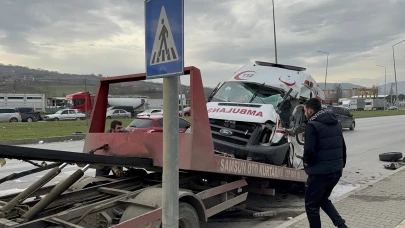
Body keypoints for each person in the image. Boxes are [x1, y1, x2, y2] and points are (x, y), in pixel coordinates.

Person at [302, 98, 348, 228]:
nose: (304, 112)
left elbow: (309, 149)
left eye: (305, 110)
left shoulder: (312, 125)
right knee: (322, 199)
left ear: (310, 110)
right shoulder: (336, 123)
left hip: (319, 173)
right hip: (336, 170)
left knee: (311, 205)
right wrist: (341, 165)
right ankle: (342, 226)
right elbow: (343, 147)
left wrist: (306, 162)